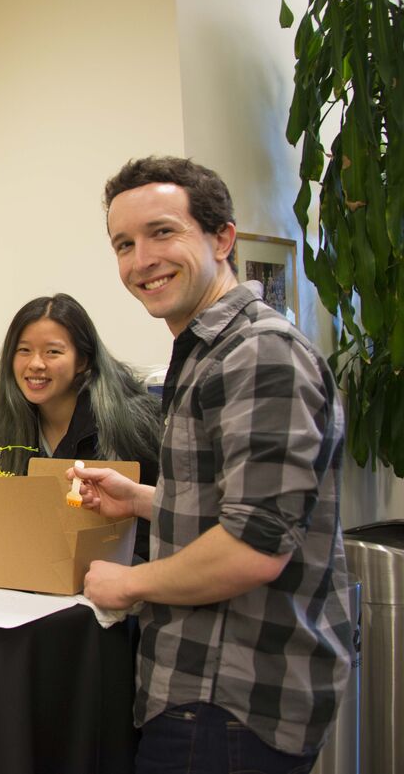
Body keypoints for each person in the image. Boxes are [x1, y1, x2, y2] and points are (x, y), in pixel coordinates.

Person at [78, 156, 352, 773]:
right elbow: (254, 505)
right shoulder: (209, 351)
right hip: (207, 692)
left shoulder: (259, 354)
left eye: (163, 232)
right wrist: (144, 498)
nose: (141, 259)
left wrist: (129, 583)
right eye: (124, 243)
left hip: (228, 699)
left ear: (222, 238)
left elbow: (253, 547)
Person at [0, 293, 161, 560]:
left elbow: (164, 523)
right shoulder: (7, 425)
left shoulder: (132, 423)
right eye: (24, 350)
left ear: (83, 360)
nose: (36, 364)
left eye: (53, 352)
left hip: (123, 577)